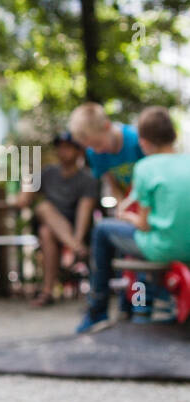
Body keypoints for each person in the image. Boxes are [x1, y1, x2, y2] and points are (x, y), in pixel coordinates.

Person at [76, 106, 190, 333]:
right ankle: (137, 308)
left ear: (144, 143)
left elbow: (144, 224)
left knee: (104, 232)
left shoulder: (144, 166)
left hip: (160, 243)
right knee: (135, 245)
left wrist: (127, 215)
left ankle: (100, 311)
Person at [16, 132, 98, 305]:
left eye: (67, 147)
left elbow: (84, 211)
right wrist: (27, 181)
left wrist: (78, 236)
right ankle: (77, 249)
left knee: (46, 231)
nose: (62, 152)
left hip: (75, 228)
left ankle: (47, 292)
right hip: (54, 225)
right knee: (44, 211)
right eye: (60, 148)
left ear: (78, 151)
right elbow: (23, 200)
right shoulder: (48, 173)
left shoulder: (87, 179)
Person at [68, 102, 145, 202]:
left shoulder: (136, 140)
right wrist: (121, 204)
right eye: (90, 147)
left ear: (107, 126)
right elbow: (113, 183)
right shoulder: (94, 153)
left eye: (98, 143)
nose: (97, 150)